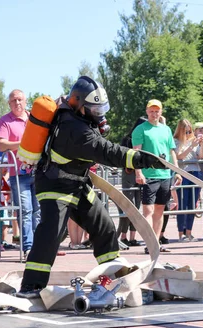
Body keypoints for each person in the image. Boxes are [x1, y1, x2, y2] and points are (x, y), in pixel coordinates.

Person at [15, 76, 166, 298]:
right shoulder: (74, 128)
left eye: (100, 109)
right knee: (51, 233)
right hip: (55, 184)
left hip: (77, 183)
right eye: (94, 109)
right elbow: (106, 151)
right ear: (78, 105)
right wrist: (142, 159)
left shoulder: (80, 120)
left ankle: (111, 279)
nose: (99, 115)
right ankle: (30, 288)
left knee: (104, 227)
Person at [132, 99, 181, 253]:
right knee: (148, 211)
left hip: (165, 174)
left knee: (160, 210)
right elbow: (136, 153)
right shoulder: (140, 130)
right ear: (147, 112)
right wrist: (138, 172)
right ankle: (149, 242)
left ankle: (156, 242)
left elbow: (172, 151)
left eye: (157, 111)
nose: (154, 114)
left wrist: (177, 171)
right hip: (148, 174)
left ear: (161, 112)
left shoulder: (166, 129)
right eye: (151, 111)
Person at [0, 89, 40, 256]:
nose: (17, 103)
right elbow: (1, 145)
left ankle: (39, 246)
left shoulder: (33, 119)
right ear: (9, 103)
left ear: (26, 101)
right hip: (18, 174)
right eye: (14, 100)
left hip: (38, 171)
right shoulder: (5, 121)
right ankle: (29, 247)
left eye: (20, 99)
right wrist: (23, 144)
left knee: (39, 210)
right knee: (25, 210)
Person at [174, 119, 203, 242]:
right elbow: (179, 156)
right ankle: (181, 233)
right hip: (183, 173)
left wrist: (201, 144)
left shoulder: (194, 141)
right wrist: (190, 146)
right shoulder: (176, 141)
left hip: (195, 172)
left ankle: (189, 232)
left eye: (189, 131)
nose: (188, 134)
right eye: (185, 131)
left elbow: (201, 156)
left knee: (193, 204)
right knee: (182, 204)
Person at [117, 117, 146, 247]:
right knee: (128, 206)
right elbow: (120, 157)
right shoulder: (127, 140)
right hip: (129, 173)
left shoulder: (143, 139)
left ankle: (133, 237)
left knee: (137, 206)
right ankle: (123, 236)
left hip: (140, 174)